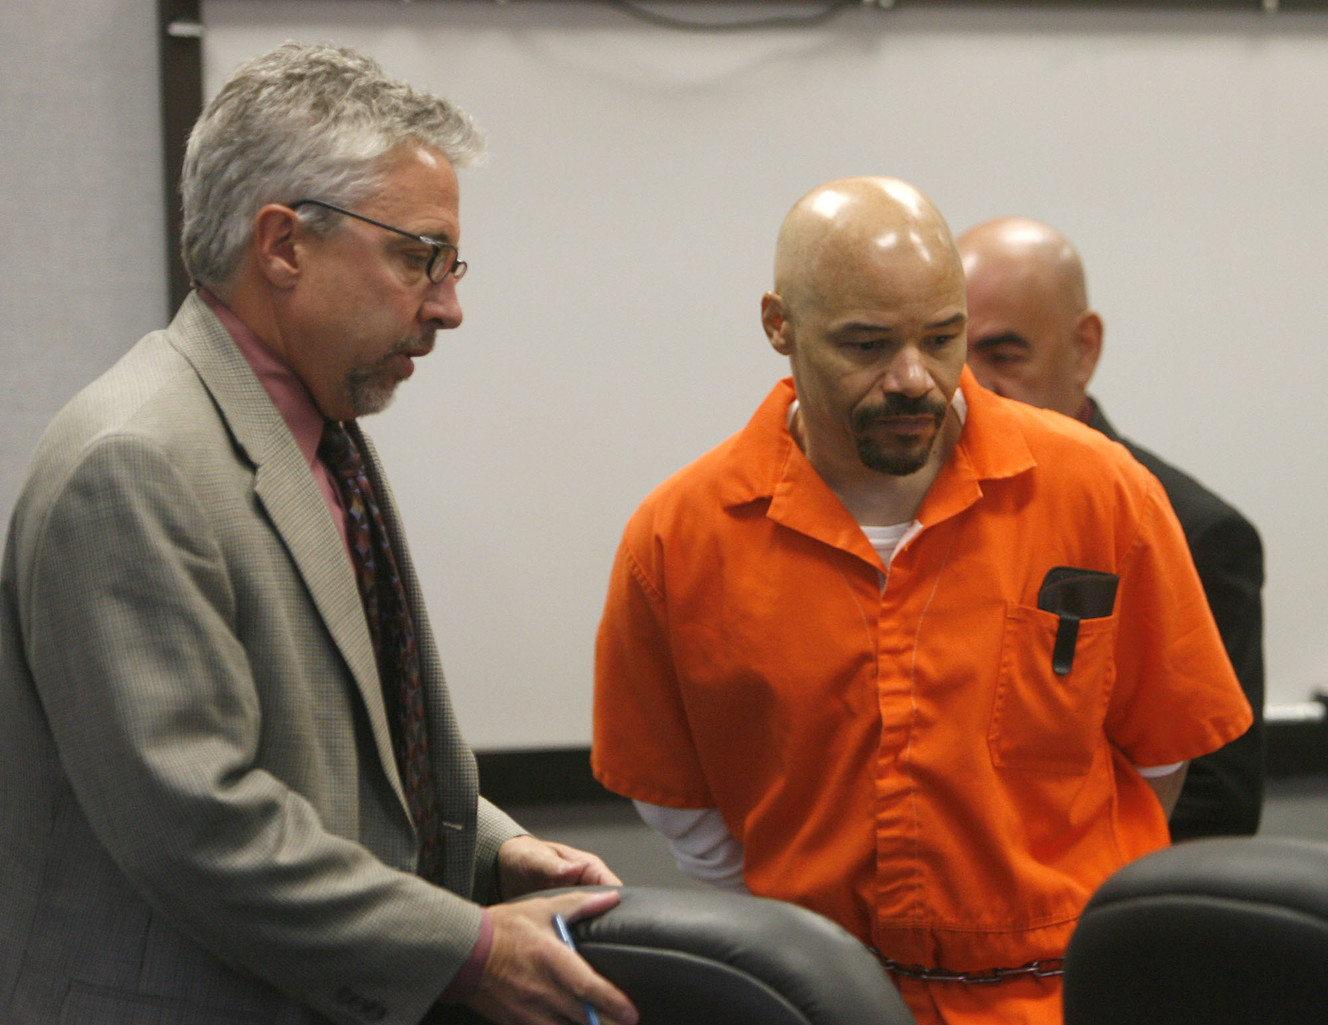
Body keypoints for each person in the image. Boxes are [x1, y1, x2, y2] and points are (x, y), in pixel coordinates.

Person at [0, 42, 637, 1025]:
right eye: (418, 258)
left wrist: (494, 850)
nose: (449, 307)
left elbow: (357, 748)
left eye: (449, 264)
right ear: (283, 245)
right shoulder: (131, 462)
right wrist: (470, 950)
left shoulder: (314, 428)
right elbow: (201, 826)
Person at [591, 176, 1252, 1025]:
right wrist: (803, 947)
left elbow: (1164, 756)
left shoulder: (1100, 493)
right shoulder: (680, 537)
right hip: (818, 998)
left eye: (942, 338)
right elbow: (675, 797)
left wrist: (1045, 909)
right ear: (779, 325)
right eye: (867, 345)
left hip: (1064, 994)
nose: (914, 379)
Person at [957, 215, 1265, 841]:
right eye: (947, 352)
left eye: (1003, 355)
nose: (970, 387)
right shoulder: (917, 512)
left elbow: (1217, 802)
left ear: (1084, 349)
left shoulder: (1194, 533)